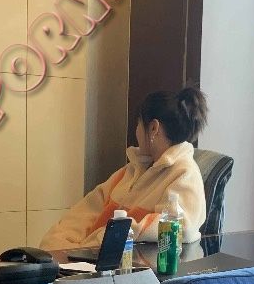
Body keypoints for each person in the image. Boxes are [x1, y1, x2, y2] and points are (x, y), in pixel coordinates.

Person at [40, 86, 208, 251]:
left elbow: (181, 228)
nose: (136, 131)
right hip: (85, 259)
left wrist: (101, 240)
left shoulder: (184, 174)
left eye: (138, 124)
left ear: (153, 128)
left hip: (118, 263)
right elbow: (83, 213)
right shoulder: (132, 170)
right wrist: (58, 246)